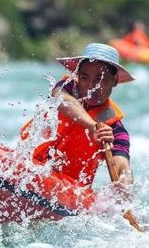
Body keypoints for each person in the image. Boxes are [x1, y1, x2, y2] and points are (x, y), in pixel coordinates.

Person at [21, 43, 135, 188]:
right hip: (28, 166)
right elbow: (62, 100)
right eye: (84, 77)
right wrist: (93, 126)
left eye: (99, 79)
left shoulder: (115, 130)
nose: (91, 86)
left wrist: (124, 185)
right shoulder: (65, 88)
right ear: (78, 77)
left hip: (68, 189)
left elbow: (122, 166)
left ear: (114, 81)